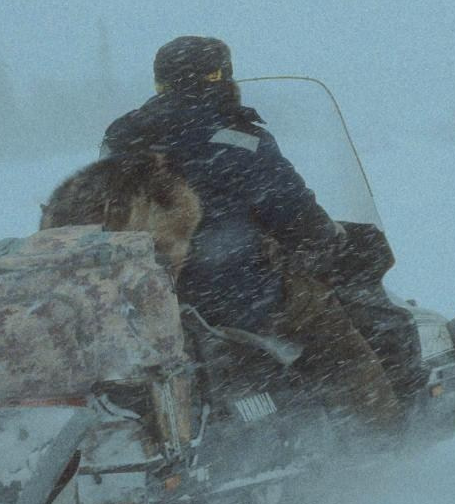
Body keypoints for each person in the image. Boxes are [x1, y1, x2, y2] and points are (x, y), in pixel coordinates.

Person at [100, 36, 403, 429]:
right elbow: (298, 217)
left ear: (160, 82)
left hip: (149, 300)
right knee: (333, 329)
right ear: (221, 77)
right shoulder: (239, 139)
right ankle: (386, 439)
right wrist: (331, 241)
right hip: (230, 292)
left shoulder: (122, 140)